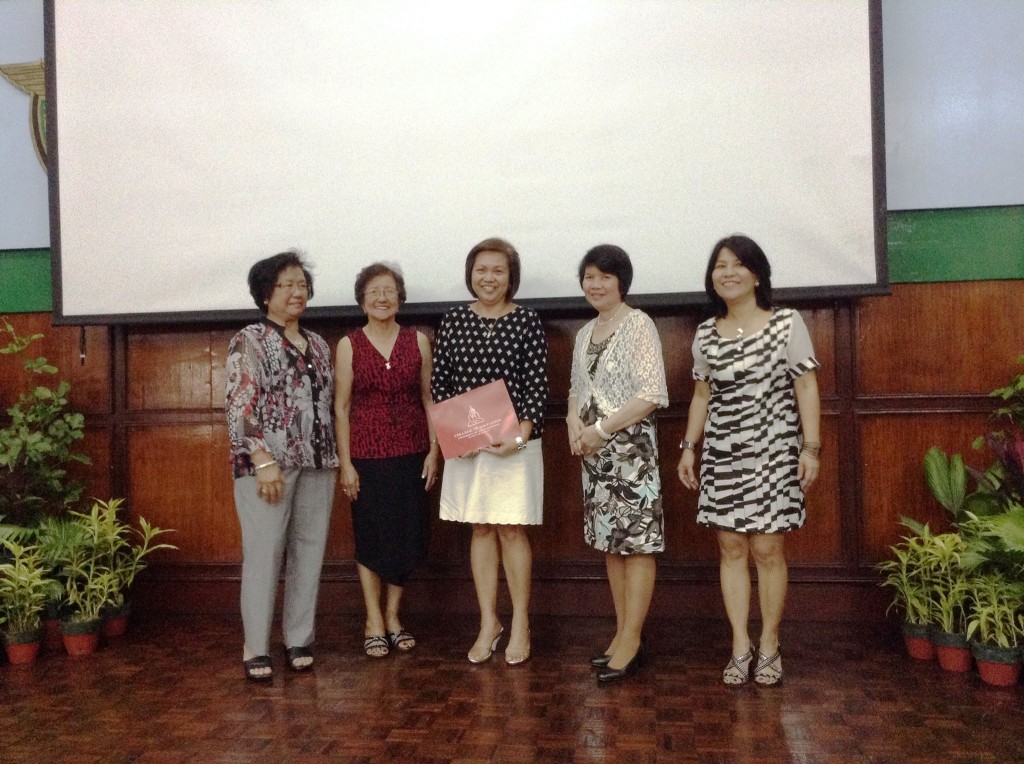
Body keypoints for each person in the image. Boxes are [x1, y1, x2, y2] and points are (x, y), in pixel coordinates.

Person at [677, 234, 821, 687]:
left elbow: (806, 387)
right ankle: (740, 642)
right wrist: (688, 447)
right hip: (722, 454)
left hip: (776, 452)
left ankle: (771, 642)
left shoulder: (785, 323)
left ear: (757, 274)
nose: (729, 272)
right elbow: (702, 394)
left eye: (739, 264)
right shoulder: (705, 333)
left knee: (767, 548)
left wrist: (811, 448)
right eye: (720, 265)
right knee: (732, 548)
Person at [431, 237, 548, 666]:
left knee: (512, 530)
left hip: (515, 444)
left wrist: (518, 437)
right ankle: (488, 622)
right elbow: (440, 384)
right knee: (480, 529)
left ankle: (520, 622)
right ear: (470, 273)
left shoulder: (527, 320)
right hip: (466, 447)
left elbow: (537, 388)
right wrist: (454, 436)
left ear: (510, 276)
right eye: (481, 269)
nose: (489, 277)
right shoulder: (455, 320)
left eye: (498, 270)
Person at [225, 250, 339, 682]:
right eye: (287, 284)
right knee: (264, 554)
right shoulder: (249, 339)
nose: (297, 291)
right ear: (265, 293)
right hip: (268, 465)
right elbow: (239, 403)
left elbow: (326, 405)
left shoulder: (320, 345)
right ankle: (256, 645)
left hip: (318, 462)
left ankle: (298, 638)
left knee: (309, 553)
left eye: (302, 284)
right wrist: (261, 458)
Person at [568, 244, 668, 684]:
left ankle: (632, 639)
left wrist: (601, 429)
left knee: (638, 544)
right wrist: (575, 423)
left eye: (605, 276)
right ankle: (621, 632)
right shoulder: (584, 332)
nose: (596, 284)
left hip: (631, 457)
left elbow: (651, 394)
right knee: (611, 544)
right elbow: (575, 390)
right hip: (593, 455)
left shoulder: (639, 324)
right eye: (589, 276)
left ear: (621, 281)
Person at [334, 262, 440, 658]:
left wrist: (435, 449)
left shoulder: (418, 341)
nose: (382, 297)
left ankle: (394, 616)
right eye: (374, 291)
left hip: (412, 452)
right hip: (366, 455)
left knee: (408, 536)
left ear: (400, 297)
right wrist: (346, 463)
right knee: (371, 536)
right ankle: (373, 620)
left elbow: (429, 399)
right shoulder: (349, 344)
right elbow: (341, 408)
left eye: (389, 291)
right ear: (363, 299)